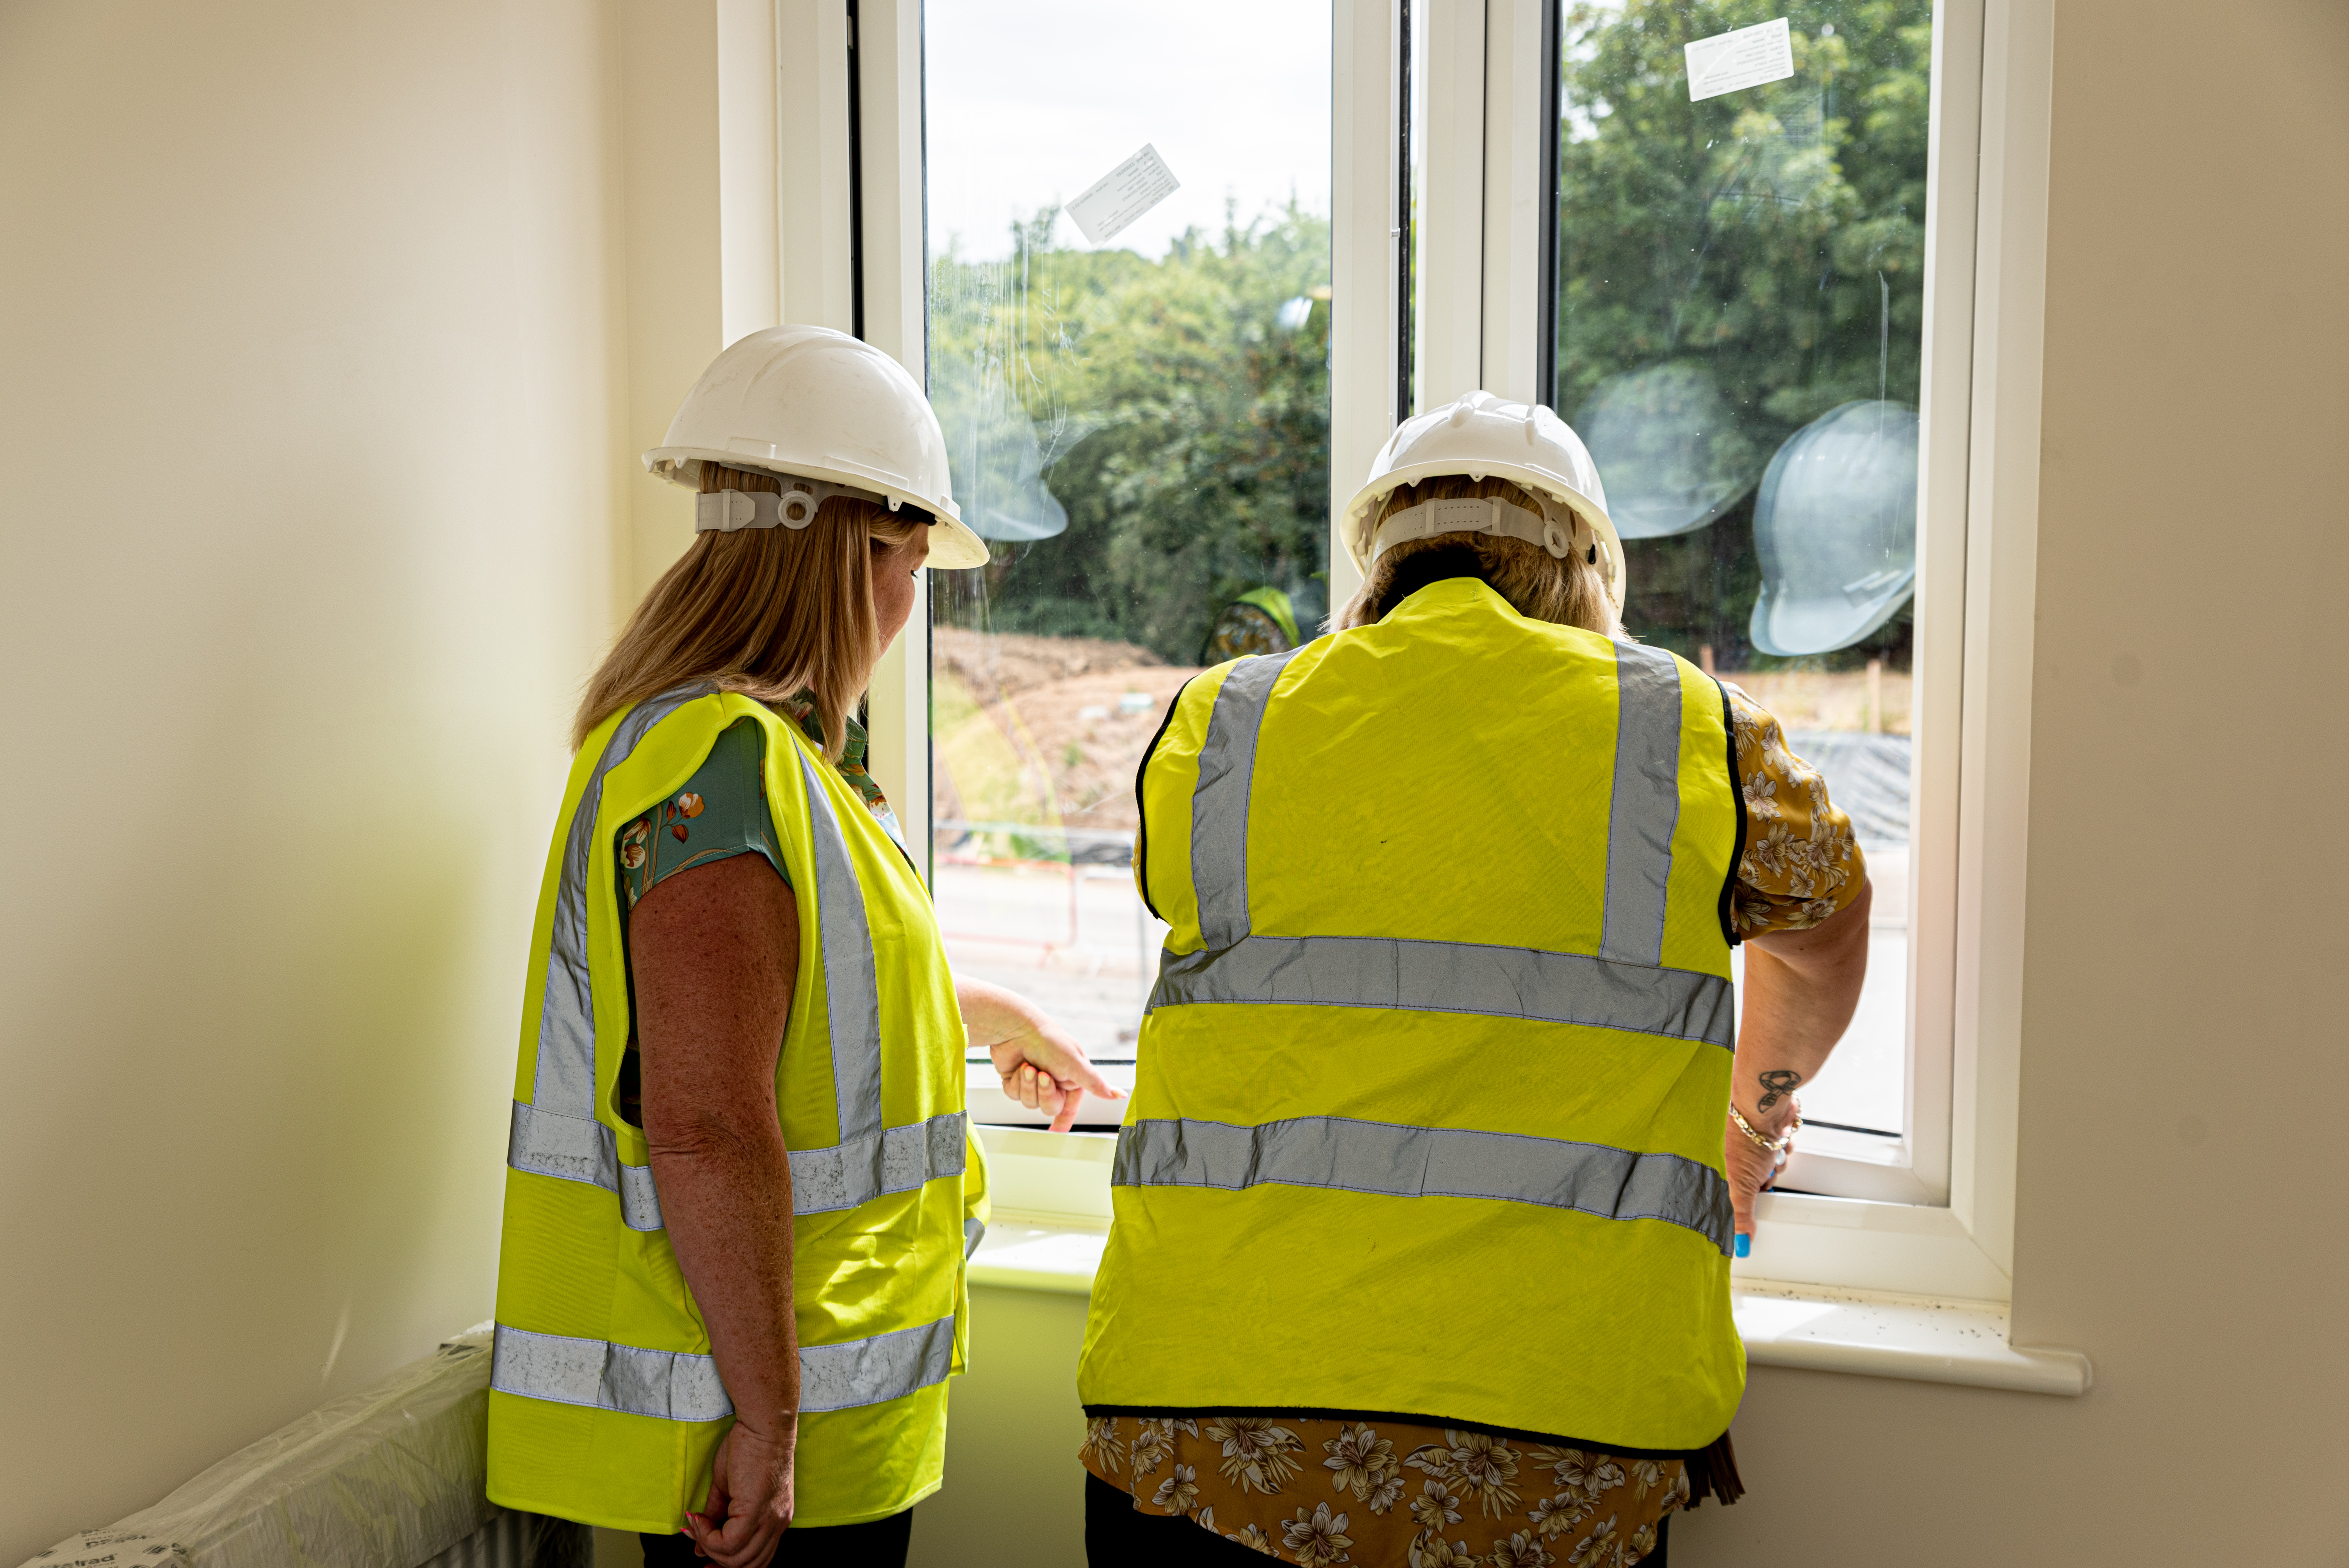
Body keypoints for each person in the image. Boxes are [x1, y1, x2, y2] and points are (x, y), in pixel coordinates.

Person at [1076, 390, 1872, 1566]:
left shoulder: (1218, 722)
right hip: (1549, 1454)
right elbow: (1828, 927)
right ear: (1586, 566)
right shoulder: (1695, 730)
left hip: (1202, 1430)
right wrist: (1750, 1120)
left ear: (1379, 564)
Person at [484, 325, 1116, 1568]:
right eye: (913, 566)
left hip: (816, 1396)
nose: (906, 603)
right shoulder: (719, 770)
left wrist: (992, 1025)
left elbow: (812, 1005)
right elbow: (708, 1123)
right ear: (854, 557)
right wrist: (769, 1420)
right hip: (762, 1413)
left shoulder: (789, 766)